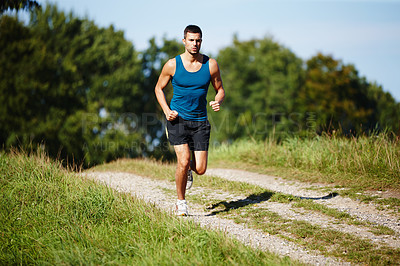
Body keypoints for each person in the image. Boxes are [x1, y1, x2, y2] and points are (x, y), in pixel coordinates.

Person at [154, 25, 225, 216]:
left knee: (200, 168)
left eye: (198, 40)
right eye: (191, 40)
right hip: (178, 120)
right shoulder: (172, 64)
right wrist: (166, 110)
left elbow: (220, 89)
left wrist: (217, 101)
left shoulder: (210, 65)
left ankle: (188, 170)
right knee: (183, 160)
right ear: (184, 41)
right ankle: (181, 202)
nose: (195, 44)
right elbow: (158, 89)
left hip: (200, 121)